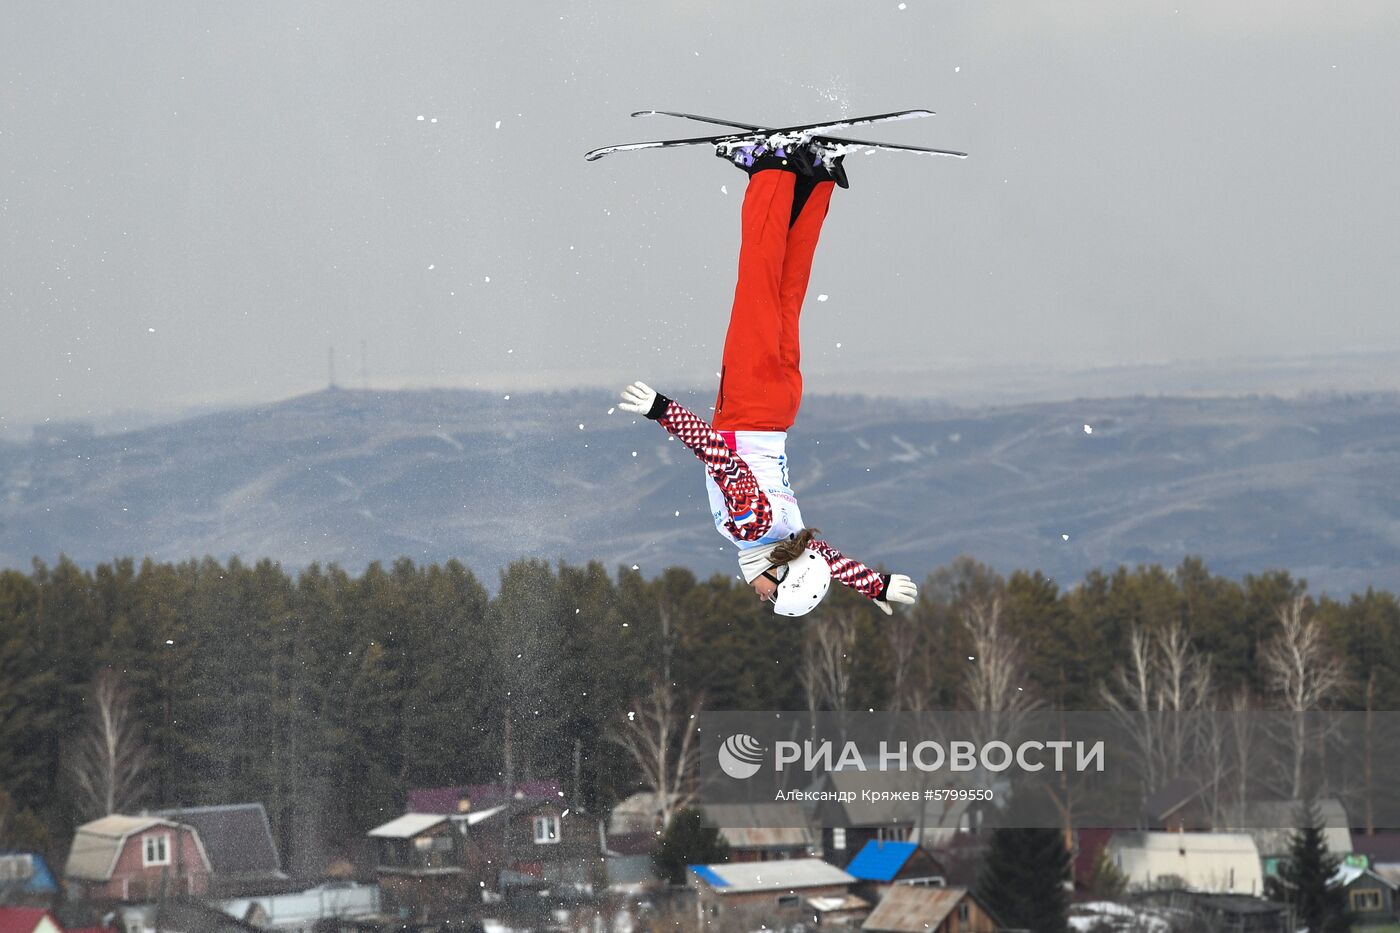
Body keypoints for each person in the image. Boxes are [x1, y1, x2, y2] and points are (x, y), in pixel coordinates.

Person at [619, 143, 919, 617]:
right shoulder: (751, 529)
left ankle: (817, 177)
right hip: (749, 403)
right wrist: (662, 410)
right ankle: (771, 168)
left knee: (786, 290)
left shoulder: (793, 537)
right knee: (758, 282)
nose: (759, 594)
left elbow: (831, 563)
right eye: (769, 594)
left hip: (781, 408)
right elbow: (723, 461)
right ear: (780, 574)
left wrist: (877, 586)